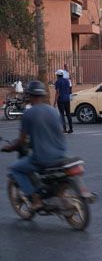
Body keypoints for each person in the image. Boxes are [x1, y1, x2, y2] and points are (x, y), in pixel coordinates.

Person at [1, 81, 67, 211]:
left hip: (42, 158)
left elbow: (21, 141)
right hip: (61, 154)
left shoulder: (28, 114)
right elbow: (59, 131)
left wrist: (9, 148)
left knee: (15, 169)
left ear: (29, 95)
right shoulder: (53, 111)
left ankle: (36, 200)